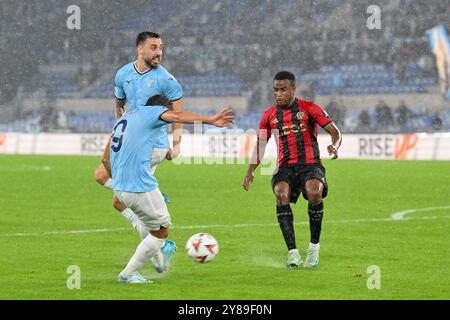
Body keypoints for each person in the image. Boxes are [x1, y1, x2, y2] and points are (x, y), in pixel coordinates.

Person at [103, 94, 234, 283]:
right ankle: (129, 273)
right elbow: (178, 117)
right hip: (139, 186)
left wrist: (120, 182)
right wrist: (209, 120)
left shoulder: (124, 119)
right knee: (161, 231)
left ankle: (157, 260)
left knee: (150, 227)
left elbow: (105, 159)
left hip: (121, 187)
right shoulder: (154, 112)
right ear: (163, 109)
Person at [242, 71, 342, 269]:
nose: (278, 94)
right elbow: (261, 144)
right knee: (280, 193)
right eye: (275, 90)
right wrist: (250, 170)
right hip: (285, 167)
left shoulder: (310, 108)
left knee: (314, 193)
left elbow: (334, 131)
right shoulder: (269, 115)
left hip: (310, 164)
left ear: (293, 89)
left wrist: (335, 145)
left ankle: (314, 249)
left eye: (283, 90)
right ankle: (293, 253)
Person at [95, 31, 184, 239]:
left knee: (121, 198)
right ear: (140, 49)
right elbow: (119, 107)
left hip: (154, 145)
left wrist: (177, 144)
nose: (159, 52)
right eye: (154, 47)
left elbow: (177, 114)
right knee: (102, 178)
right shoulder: (123, 75)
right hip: (130, 140)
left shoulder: (166, 80)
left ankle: (159, 245)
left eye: (161, 48)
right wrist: (119, 130)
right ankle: (150, 202)